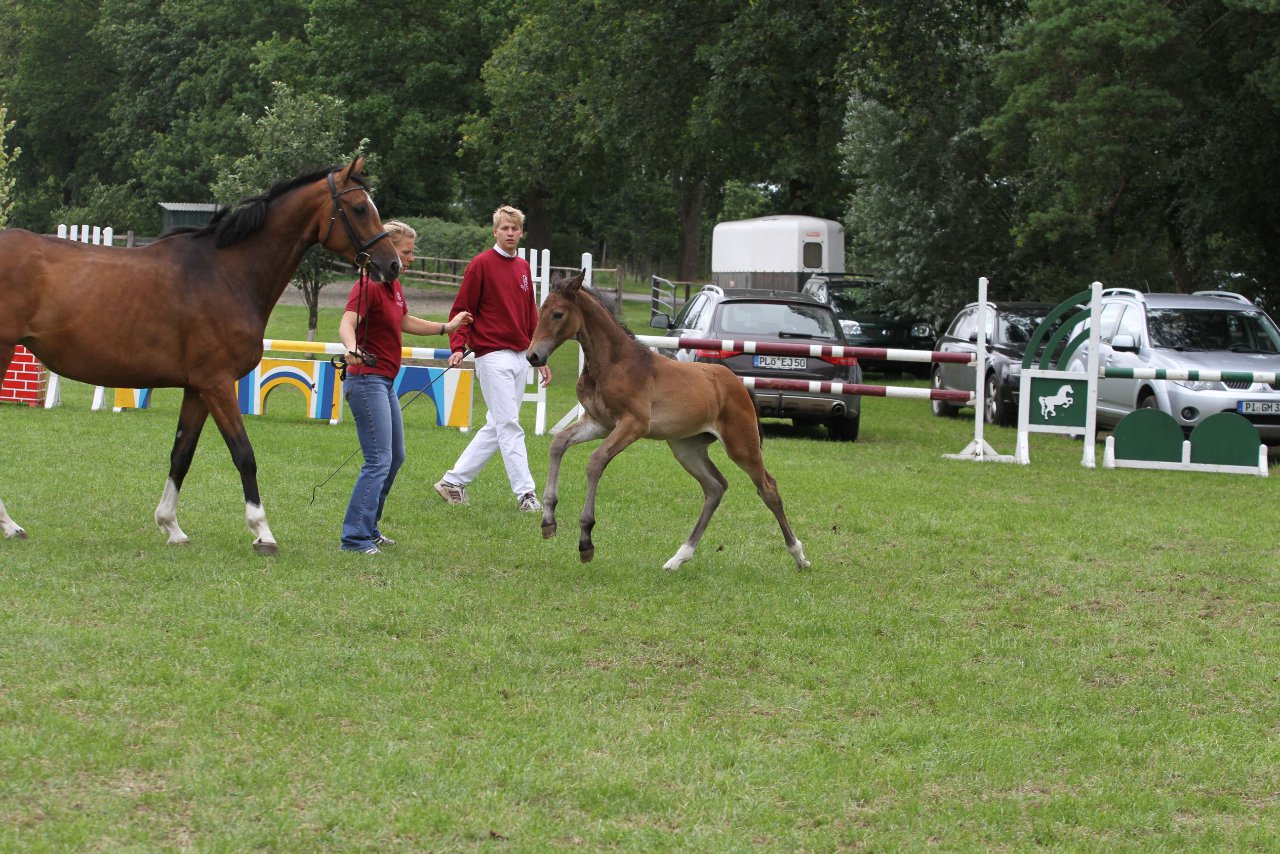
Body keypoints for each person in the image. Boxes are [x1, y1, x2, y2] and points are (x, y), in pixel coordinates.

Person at [340, 220, 472, 554]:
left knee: (394, 456)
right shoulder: (368, 285)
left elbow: (403, 321)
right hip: (365, 380)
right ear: (387, 250)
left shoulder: (393, 286)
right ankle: (355, 538)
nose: (411, 258)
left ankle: (368, 528)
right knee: (378, 460)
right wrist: (352, 347)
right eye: (407, 252)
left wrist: (447, 326)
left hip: (384, 382)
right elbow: (347, 322)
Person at [434, 205, 551, 511]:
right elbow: (462, 308)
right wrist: (458, 345)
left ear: (521, 232)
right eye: (505, 228)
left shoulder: (524, 268)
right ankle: (526, 495)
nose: (510, 233)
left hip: (520, 357)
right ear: (495, 232)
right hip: (491, 356)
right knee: (510, 424)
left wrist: (540, 357)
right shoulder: (480, 264)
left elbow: (530, 315)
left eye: (515, 228)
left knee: (495, 425)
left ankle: (452, 482)